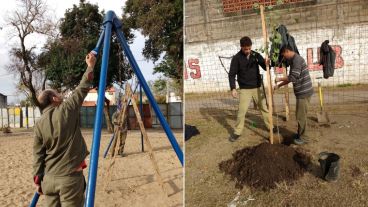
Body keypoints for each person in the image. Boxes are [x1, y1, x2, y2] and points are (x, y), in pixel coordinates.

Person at [33, 52, 96, 206]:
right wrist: (91, 66)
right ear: (54, 99)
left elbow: (38, 154)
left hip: (48, 179)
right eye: (57, 93)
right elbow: (82, 88)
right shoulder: (66, 109)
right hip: (69, 178)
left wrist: (37, 178)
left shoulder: (39, 124)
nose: (59, 94)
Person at [228, 36, 273, 142]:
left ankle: (270, 127)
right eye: (245, 49)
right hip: (244, 89)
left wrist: (267, 63)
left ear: (251, 46)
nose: (247, 51)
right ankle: (237, 132)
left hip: (257, 87)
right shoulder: (236, 58)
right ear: (241, 47)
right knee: (241, 111)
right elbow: (231, 74)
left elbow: (265, 67)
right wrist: (233, 88)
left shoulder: (255, 55)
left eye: (249, 48)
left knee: (264, 108)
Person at [274, 45, 314, 145]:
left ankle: (305, 138)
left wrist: (279, 79)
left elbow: (292, 77)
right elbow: (293, 78)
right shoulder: (294, 60)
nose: (284, 58)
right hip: (302, 92)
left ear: (287, 51)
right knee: (300, 114)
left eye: (284, 55)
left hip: (304, 92)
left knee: (301, 116)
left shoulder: (296, 60)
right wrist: (279, 85)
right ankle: (300, 134)